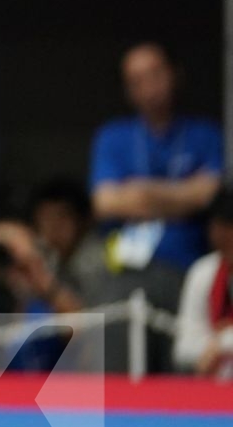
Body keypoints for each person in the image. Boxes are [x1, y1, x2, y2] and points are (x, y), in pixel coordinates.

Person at [91, 42, 222, 372]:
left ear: (175, 75)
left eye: (155, 75)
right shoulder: (114, 136)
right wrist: (182, 196)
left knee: (182, 372)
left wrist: (139, 193)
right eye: (136, 80)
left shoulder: (205, 134)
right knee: (119, 376)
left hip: (185, 270)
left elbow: (210, 195)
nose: (148, 87)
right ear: (127, 90)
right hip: (124, 273)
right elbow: (105, 203)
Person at [173, 186, 233, 380]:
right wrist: (215, 346)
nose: (223, 235)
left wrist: (223, 342)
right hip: (218, 384)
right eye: (218, 225)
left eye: (229, 226)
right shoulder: (204, 272)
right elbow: (184, 348)